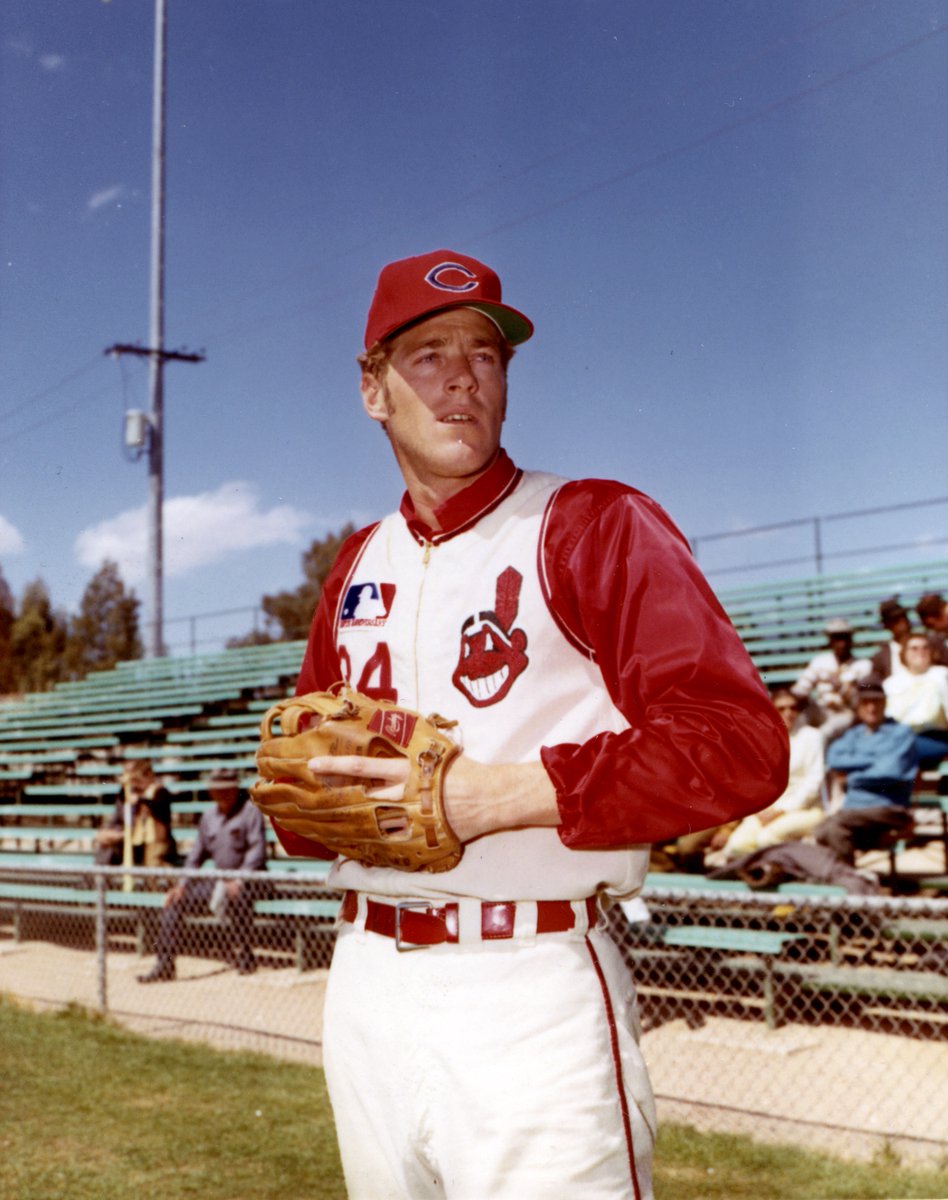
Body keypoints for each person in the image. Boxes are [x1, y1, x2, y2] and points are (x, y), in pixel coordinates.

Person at [266, 248, 789, 1200]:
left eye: (487, 353)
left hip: (529, 984)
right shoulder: (357, 563)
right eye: (428, 354)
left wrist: (494, 795)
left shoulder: (591, 523)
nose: (464, 374)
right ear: (372, 389)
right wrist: (311, 807)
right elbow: (303, 805)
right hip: (367, 984)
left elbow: (737, 743)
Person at [138, 767, 268, 982]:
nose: (221, 794)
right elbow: (195, 856)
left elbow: (257, 852)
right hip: (219, 880)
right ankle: (165, 964)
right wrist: (181, 885)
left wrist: (239, 880)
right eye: (217, 790)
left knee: (239, 895)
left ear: (235, 789)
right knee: (174, 901)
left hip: (252, 879)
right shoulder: (208, 817)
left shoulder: (250, 812)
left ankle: (245, 954)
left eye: (226, 789)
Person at [708, 688, 825, 863]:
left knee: (766, 839)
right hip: (767, 811)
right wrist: (761, 811)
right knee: (738, 845)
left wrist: (782, 810)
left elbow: (814, 782)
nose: (789, 713)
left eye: (793, 708)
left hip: (805, 809)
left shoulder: (812, 736)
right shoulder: (763, 738)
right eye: (782, 708)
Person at [814, 678, 917, 865]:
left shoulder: (901, 733)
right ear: (857, 706)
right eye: (865, 702)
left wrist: (851, 777)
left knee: (833, 827)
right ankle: (849, 882)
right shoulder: (853, 734)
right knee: (822, 830)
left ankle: (849, 883)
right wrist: (872, 760)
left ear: (885, 703)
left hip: (888, 808)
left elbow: (889, 772)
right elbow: (834, 758)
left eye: (876, 702)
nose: (871, 708)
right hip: (854, 810)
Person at [791, 617, 872, 743]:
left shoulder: (863, 665)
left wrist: (841, 686)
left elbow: (863, 697)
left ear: (851, 639)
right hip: (821, 708)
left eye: (845, 637)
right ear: (830, 641)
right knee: (798, 720)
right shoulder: (820, 662)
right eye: (837, 638)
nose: (842, 643)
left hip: (845, 712)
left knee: (823, 733)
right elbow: (801, 688)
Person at [94, 760, 177, 870]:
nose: (135, 784)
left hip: (157, 840)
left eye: (138, 780)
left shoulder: (160, 791)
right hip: (135, 839)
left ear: (149, 777)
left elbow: (159, 808)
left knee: (153, 863)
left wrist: (140, 800)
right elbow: (121, 814)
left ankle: (178, 883)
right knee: (106, 847)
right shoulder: (130, 792)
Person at [883, 631, 948, 769]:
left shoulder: (942, 675)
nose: (921, 652)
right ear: (904, 654)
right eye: (914, 648)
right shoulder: (891, 683)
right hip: (898, 737)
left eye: (925, 648)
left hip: (933, 737)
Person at [870, 598, 912, 681]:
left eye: (904, 617)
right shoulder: (881, 657)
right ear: (887, 625)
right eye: (896, 620)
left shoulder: (926, 646)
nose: (903, 623)